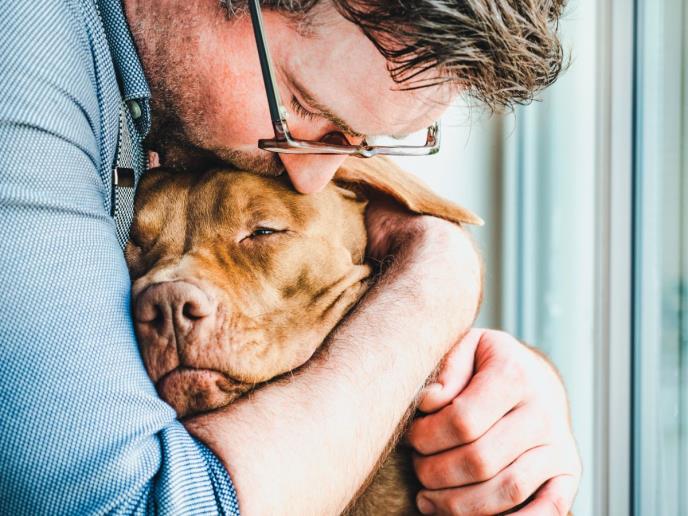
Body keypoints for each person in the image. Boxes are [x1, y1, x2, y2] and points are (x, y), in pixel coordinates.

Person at [0, 0, 581, 514]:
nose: (312, 175)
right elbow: (131, 505)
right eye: (300, 106)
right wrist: (437, 282)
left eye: (358, 141)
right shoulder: (25, 57)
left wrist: (501, 405)